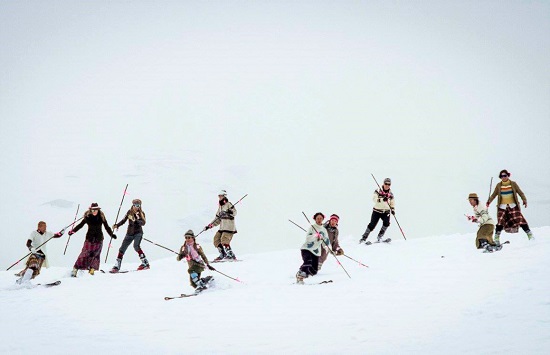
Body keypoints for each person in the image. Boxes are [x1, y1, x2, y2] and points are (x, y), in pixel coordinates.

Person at [68, 203, 116, 277]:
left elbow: (107, 227)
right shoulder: (87, 217)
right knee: (84, 254)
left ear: (98, 210)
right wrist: (72, 231)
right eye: (93, 210)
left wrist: (111, 235)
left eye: (96, 210)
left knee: (96, 255)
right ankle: (75, 269)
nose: (94, 211)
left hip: (99, 239)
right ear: (90, 210)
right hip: (89, 238)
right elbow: (80, 225)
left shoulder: (101, 217)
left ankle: (91, 270)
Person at [487, 169, 534, 242]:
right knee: (500, 221)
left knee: (520, 220)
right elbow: (493, 195)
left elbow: (520, 192)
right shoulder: (499, 185)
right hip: (502, 206)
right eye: (502, 176)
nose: (503, 177)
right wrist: (489, 201)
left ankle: (530, 235)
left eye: (505, 175)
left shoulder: (513, 184)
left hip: (512, 206)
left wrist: (524, 200)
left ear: (508, 176)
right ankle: (496, 238)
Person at [110, 199, 149, 272]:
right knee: (122, 248)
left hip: (138, 232)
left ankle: (145, 262)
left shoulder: (141, 213)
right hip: (129, 233)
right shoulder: (129, 212)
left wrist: (135, 219)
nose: (137, 207)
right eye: (135, 205)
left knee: (136, 246)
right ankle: (117, 266)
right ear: (133, 205)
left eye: (138, 205)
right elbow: (123, 220)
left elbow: (143, 222)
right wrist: (117, 225)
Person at [296, 212, 330, 284]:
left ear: (323, 219)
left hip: (316, 251)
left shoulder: (324, 230)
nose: (319, 220)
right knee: (308, 262)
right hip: (307, 249)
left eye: (321, 218)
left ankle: (303, 274)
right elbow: (308, 238)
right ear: (315, 219)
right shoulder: (312, 227)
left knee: (314, 270)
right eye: (317, 218)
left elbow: (326, 240)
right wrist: (315, 235)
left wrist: (326, 246)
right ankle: (300, 277)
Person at [204, 190, 238, 261]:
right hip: (222, 227)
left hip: (229, 227)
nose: (219, 197)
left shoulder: (229, 204)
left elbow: (234, 212)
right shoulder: (220, 207)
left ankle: (230, 254)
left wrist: (229, 212)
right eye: (219, 196)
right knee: (216, 240)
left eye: (221, 196)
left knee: (224, 240)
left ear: (224, 196)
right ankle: (223, 254)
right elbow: (217, 219)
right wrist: (210, 226)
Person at [359, 177, 395, 244]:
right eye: (386, 183)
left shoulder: (391, 194)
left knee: (386, 223)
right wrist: (381, 199)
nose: (387, 185)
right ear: (383, 183)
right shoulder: (378, 191)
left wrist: (392, 209)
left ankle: (380, 237)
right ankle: (363, 238)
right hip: (377, 211)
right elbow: (374, 199)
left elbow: (392, 203)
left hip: (386, 211)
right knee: (372, 225)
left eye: (389, 184)